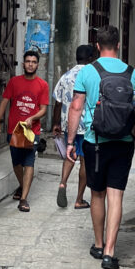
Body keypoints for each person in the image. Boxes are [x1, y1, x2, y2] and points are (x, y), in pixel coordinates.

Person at [67, 25, 135, 269]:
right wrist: (132, 134)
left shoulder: (87, 72)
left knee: (97, 193)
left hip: (95, 142)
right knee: (116, 195)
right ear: (119, 45)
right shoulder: (132, 73)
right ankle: (110, 253)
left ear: (97, 46)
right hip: (122, 143)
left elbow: (76, 107)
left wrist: (70, 142)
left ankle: (99, 244)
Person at [0, 50, 49, 212]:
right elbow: (5, 101)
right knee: (16, 163)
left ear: (37, 65)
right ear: (23, 64)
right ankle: (21, 185)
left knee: (29, 161)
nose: (30, 64)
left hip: (32, 130)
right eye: (28, 61)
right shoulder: (14, 82)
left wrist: (32, 118)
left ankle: (24, 198)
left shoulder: (43, 85)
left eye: (33, 62)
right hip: (14, 129)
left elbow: (43, 109)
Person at [52, 44, 95, 209]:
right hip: (86, 126)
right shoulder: (91, 76)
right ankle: (79, 199)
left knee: (69, 156)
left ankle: (63, 183)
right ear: (90, 58)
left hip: (68, 124)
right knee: (85, 161)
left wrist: (56, 123)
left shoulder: (66, 76)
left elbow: (58, 102)